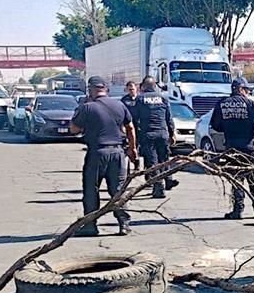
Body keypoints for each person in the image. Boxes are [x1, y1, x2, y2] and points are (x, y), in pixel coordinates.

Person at [70, 76, 138, 236]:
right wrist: (133, 149)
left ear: (91, 90)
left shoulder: (87, 107)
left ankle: (90, 226)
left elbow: (74, 129)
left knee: (91, 189)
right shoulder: (119, 105)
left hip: (97, 153)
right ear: (105, 89)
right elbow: (130, 128)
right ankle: (124, 224)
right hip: (118, 153)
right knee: (118, 189)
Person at [210, 77, 254, 220]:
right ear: (241, 89)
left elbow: (215, 125)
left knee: (237, 179)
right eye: (246, 89)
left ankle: (238, 210)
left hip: (232, 148)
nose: (247, 92)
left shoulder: (222, 104)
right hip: (249, 148)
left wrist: (228, 126)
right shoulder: (249, 103)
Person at [134, 76, 179, 199]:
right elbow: (169, 118)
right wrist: (172, 133)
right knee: (164, 158)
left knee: (153, 162)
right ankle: (168, 179)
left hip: (148, 134)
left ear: (144, 86)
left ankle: (159, 187)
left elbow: (134, 119)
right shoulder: (163, 98)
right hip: (162, 133)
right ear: (154, 86)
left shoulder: (140, 99)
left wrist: (135, 137)